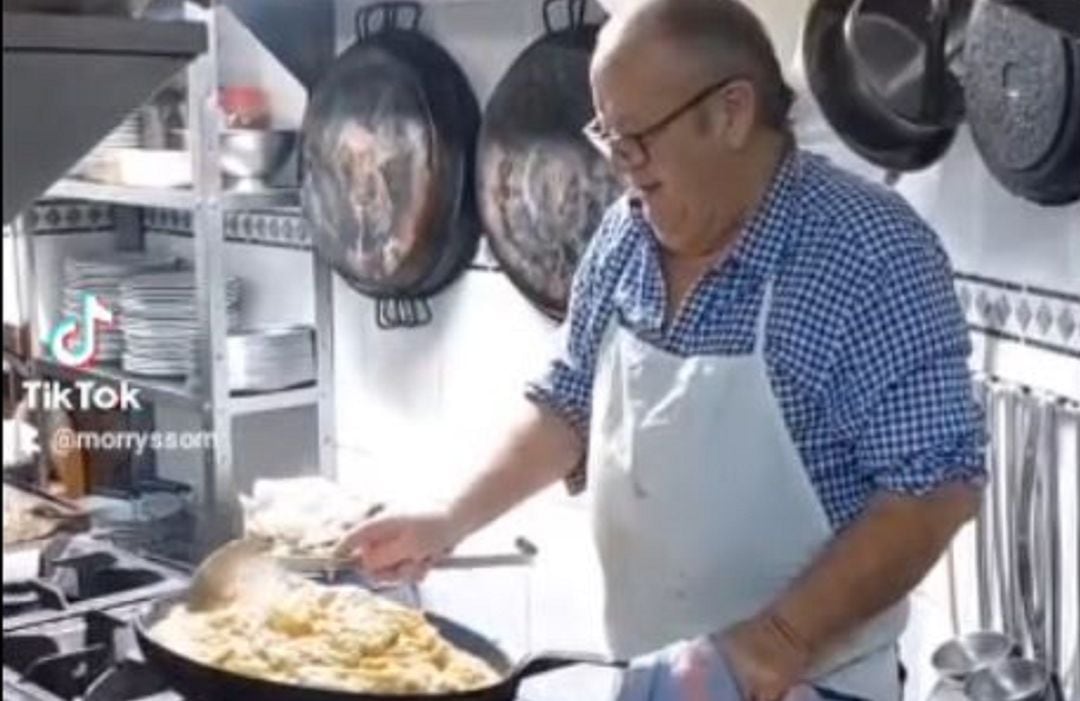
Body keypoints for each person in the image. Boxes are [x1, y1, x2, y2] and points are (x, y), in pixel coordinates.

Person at [337, 0, 985, 699]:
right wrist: (447, 518)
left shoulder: (868, 254)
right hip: (653, 677)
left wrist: (780, 640)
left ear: (731, 112)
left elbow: (934, 490)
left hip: (807, 686)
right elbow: (567, 401)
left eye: (637, 138)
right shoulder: (625, 235)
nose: (621, 167)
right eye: (608, 137)